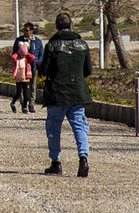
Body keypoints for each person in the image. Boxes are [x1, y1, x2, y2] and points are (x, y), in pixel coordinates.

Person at [39, 12, 92, 177]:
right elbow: (88, 70)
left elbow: (44, 70)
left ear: (56, 26)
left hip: (57, 93)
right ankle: (83, 157)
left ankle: (56, 162)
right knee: (79, 126)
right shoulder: (82, 45)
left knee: (54, 128)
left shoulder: (52, 45)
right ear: (71, 26)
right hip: (77, 92)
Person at [12, 22, 45, 113]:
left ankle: (31, 104)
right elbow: (14, 52)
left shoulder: (37, 41)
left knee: (32, 86)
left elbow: (41, 54)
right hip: (22, 67)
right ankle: (23, 104)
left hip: (33, 67)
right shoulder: (19, 41)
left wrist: (38, 61)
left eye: (27, 30)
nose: (25, 33)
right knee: (22, 86)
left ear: (31, 31)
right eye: (24, 31)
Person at [10, 40, 37, 115]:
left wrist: (26, 52)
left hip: (26, 78)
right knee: (18, 93)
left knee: (26, 93)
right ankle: (13, 103)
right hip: (19, 78)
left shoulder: (26, 59)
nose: (23, 56)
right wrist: (18, 53)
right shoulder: (17, 59)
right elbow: (13, 57)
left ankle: (24, 107)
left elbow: (33, 57)